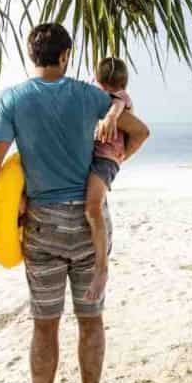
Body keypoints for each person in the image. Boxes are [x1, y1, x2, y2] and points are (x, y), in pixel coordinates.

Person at [0, 24, 150, 383]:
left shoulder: (12, 99)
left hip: (42, 227)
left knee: (44, 324)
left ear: (30, 54)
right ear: (67, 55)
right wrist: (113, 165)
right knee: (91, 320)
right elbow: (137, 131)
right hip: (91, 227)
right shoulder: (92, 96)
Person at [83, 57, 140, 304]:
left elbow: (116, 106)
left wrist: (110, 118)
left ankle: (102, 268)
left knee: (92, 207)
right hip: (103, 156)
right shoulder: (102, 97)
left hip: (106, 160)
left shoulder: (118, 100)